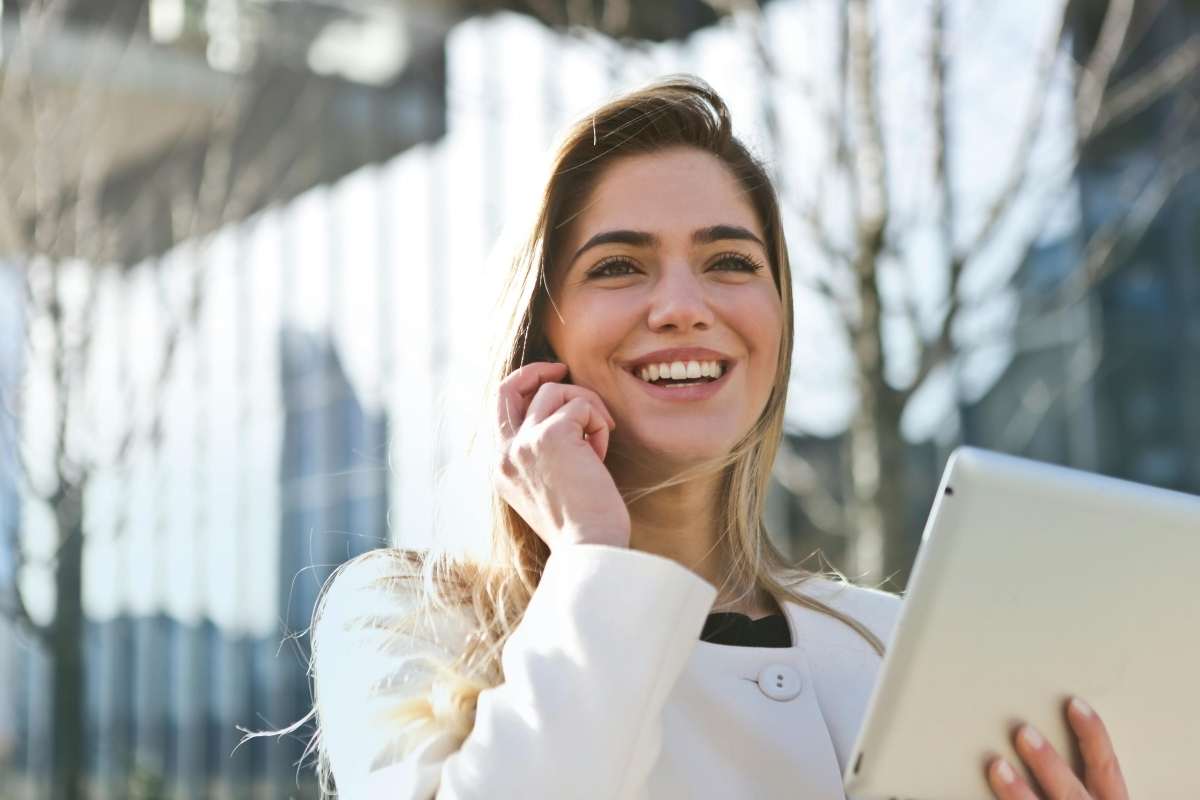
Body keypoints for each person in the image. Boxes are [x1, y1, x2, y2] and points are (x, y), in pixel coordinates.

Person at [307, 77, 1129, 799]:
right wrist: (596, 555)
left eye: (730, 262)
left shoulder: (889, 644)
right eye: (619, 266)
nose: (682, 306)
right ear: (540, 335)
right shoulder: (403, 619)